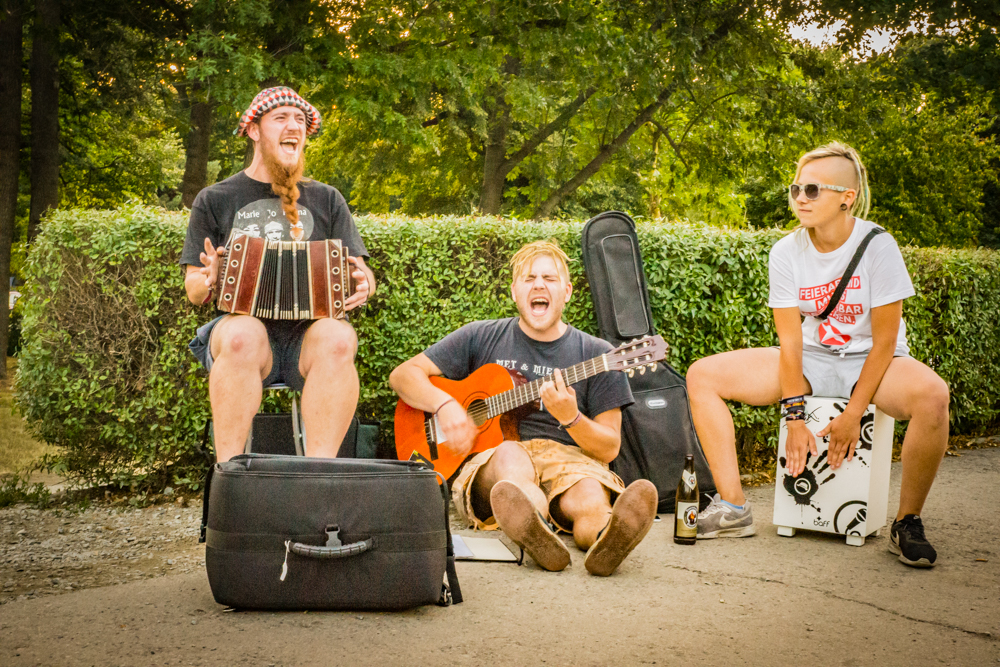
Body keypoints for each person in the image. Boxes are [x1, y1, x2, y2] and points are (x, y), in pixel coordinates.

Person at [686, 142, 949, 567]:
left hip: (873, 361)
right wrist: (794, 418)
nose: (800, 199)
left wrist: (853, 415)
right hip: (811, 356)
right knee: (703, 375)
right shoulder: (786, 252)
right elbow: (790, 342)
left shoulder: (878, 245)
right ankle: (734, 508)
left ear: (847, 197)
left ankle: (907, 522)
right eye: (795, 189)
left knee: (933, 397)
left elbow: (884, 342)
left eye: (812, 190)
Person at [389, 241, 657, 576]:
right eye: (529, 278)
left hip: (569, 461)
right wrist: (444, 404)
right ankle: (534, 522)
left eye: (549, 278)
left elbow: (609, 446)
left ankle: (607, 537)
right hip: (496, 461)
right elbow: (403, 376)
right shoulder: (480, 336)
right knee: (511, 456)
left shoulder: (599, 354)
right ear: (515, 291)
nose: (539, 284)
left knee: (589, 494)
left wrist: (571, 418)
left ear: (567, 291)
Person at [180, 87, 376, 462]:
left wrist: (364, 282)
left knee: (338, 336)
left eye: (300, 121)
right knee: (240, 334)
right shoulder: (215, 199)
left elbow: (360, 269)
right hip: (245, 335)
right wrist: (207, 279)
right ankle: (230, 476)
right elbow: (192, 286)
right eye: (281, 118)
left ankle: (319, 478)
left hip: (310, 337)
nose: (294, 127)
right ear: (254, 130)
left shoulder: (327, 199)